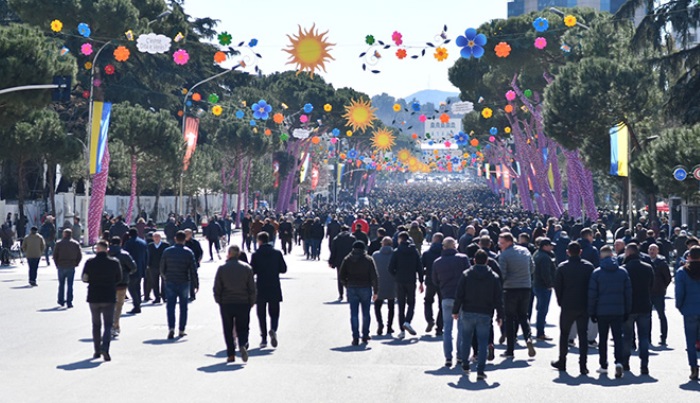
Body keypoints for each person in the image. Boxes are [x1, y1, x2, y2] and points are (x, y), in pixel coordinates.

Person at [453, 249, 503, 380]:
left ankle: (465, 364)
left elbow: (459, 294)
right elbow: (498, 298)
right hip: (485, 312)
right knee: (482, 341)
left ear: (474, 260)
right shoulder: (493, 277)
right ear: (487, 261)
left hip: (468, 311)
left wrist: (455, 310)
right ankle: (480, 370)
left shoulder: (466, 274)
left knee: (466, 339)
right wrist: (500, 315)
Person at [551, 242, 595, 375]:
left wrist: (561, 302)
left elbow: (557, 287)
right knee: (583, 335)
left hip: (568, 305)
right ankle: (583, 365)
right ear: (580, 252)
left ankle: (562, 362)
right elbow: (592, 286)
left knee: (564, 334)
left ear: (567, 252)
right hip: (583, 304)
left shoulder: (563, 267)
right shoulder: (588, 267)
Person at [588, 245, 632, 378]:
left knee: (603, 338)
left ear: (601, 256)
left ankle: (603, 364)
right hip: (618, 310)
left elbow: (592, 295)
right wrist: (627, 311)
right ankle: (619, 362)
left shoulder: (597, 273)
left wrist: (592, 312)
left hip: (602, 311)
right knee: (618, 338)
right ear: (612, 255)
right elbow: (628, 293)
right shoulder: (622, 272)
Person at [214, 245, 256, 363]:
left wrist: (219, 300)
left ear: (229, 253)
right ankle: (242, 343)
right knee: (243, 326)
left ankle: (231, 354)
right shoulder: (247, 268)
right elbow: (252, 288)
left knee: (228, 328)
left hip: (226, 302)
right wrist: (251, 301)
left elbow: (217, 287)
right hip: (243, 302)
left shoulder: (222, 268)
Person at [433, 237, 470, 368]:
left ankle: (448, 357)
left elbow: (434, 280)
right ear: (455, 246)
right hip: (461, 297)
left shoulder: (437, 262)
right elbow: (469, 276)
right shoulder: (463, 259)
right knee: (461, 328)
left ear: (443, 247)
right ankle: (460, 356)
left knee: (447, 329)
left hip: (446, 296)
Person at [81, 240, 122, 361]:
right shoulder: (114, 262)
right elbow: (119, 278)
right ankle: (105, 347)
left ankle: (96, 350)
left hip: (93, 296)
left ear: (97, 249)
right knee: (108, 324)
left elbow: (84, 278)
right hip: (108, 295)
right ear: (107, 249)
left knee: (96, 324)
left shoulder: (90, 262)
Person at [498, 232, 536, 358]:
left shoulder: (504, 255)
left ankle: (510, 350)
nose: (500, 245)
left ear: (509, 242)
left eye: (502, 243)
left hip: (510, 289)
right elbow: (532, 268)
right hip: (526, 287)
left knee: (509, 318)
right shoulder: (525, 251)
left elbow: (502, 275)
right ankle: (528, 338)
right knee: (523, 316)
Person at [621, 243, 655, 375]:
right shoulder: (648, 268)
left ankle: (625, 363)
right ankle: (644, 365)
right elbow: (651, 285)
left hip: (629, 307)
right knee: (644, 337)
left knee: (627, 337)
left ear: (628, 253)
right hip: (644, 306)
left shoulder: (624, 269)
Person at [250, 232, 287, 348]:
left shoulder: (256, 255)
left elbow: (252, 271)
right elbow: (283, 269)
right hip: (274, 285)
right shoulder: (277, 253)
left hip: (261, 286)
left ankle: (264, 338)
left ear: (259, 241)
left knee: (261, 313)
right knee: (274, 312)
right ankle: (273, 329)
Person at [160, 231, 198, 340]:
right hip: (184, 281)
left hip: (170, 281)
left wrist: (165, 278)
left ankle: (171, 328)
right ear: (184, 239)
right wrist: (195, 283)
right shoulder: (188, 252)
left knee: (170, 306)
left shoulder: (167, 251)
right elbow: (193, 270)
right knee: (183, 307)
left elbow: (162, 268)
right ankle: (181, 329)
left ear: (175, 239)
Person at [340, 240, 379, 345]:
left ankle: (355, 336)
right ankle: (365, 335)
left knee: (354, 314)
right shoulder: (368, 259)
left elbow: (341, 275)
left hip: (352, 287)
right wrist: (376, 291)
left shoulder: (347, 259)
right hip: (365, 287)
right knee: (366, 313)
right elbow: (374, 276)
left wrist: (347, 285)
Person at [388, 231, 424, 340]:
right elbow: (419, 267)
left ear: (400, 239)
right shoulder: (414, 251)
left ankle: (402, 330)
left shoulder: (396, 251)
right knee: (411, 303)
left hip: (400, 280)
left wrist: (396, 276)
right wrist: (421, 281)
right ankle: (408, 321)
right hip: (411, 280)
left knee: (401, 305)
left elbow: (390, 268)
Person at [675, 245, 700, 381]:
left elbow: (679, 293)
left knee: (690, 341)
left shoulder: (682, 272)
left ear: (689, 256)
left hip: (689, 310)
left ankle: (694, 368)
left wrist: (680, 306)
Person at [108, 237, 136, 337]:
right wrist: (127, 273)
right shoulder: (124, 254)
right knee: (119, 305)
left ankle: (113, 325)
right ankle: (114, 325)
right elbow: (133, 267)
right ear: (120, 243)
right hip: (122, 282)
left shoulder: (106, 254)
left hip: (108, 283)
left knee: (109, 305)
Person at [532, 238, 556, 341]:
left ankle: (539, 330)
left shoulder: (536, 254)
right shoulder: (545, 258)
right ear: (545, 246)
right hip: (543, 286)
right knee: (543, 309)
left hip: (536, 284)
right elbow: (545, 273)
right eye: (550, 245)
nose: (552, 247)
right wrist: (550, 284)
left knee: (540, 308)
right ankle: (540, 332)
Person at [372, 237, 396, 335]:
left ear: (382, 244)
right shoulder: (395, 254)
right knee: (391, 306)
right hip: (392, 282)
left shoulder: (375, 255)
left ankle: (380, 323)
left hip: (379, 282)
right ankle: (389, 326)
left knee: (377, 306)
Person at [52, 229, 82, 308]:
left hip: (61, 265)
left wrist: (57, 264)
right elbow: (79, 255)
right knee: (70, 284)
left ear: (64, 234)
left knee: (61, 284)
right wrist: (76, 263)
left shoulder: (59, 243)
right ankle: (69, 301)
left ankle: (61, 300)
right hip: (71, 265)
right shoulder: (75, 244)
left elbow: (55, 255)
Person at [422, 233, 445, 336]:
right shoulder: (444, 253)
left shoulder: (427, 253)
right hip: (443, 281)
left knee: (428, 301)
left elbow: (421, 266)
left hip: (430, 281)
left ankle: (429, 319)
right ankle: (439, 328)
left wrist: (423, 277)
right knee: (442, 305)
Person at [648, 244, 672, 346]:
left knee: (661, 315)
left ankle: (663, 337)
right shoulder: (645, 261)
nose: (652, 251)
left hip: (658, 293)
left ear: (657, 251)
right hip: (647, 293)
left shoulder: (662, 263)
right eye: (650, 249)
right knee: (647, 317)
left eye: (654, 249)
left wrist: (662, 287)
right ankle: (647, 338)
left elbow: (668, 278)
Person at [123, 228, 147, 314]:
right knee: (137, 286)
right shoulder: (143, 242)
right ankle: (138, 302)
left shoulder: (128, 243)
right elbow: (146, 255)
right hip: (141, 267)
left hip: (131, 268)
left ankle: (136, 305)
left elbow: (126, 257)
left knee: (131, 288)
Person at [329, 226, 355, 302]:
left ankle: (341, 294)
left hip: (339, 261)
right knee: (350, 277)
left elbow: (333, 251)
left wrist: (331, 261)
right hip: (351, 260)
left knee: (340, 277)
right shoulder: (352, 238)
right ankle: (349, 293)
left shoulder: (336, 239)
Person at [146, 232, 169, 304]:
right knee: (154, 283)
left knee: (164, 282)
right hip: (153, 267)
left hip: (164, 266)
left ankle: (164, 296)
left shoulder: (166, 245)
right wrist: (148, 265)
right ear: (153, 238)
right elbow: (147, 256)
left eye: (158, 237)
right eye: (155, 237)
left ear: (160, 238)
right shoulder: (150, 246)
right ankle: (157, 297)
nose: (156, 238)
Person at [184, 229, 203, 301]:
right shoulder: (182, 242)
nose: (186, 235)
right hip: (183, 264)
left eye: (188, 233)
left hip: (193, 263)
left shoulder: (195, 242)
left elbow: (200, 252)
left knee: (192, 279)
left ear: (191, 234)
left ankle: (192, 294)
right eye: (185, 233)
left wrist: (199, 259)